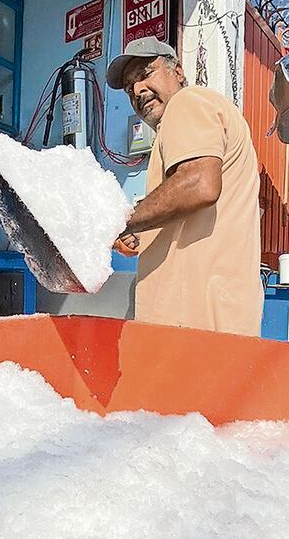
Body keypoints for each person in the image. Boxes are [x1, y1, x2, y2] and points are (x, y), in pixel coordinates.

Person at [106, 38, 262, 337]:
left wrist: (118, 221)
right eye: (129, 89)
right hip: (213, 320)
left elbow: (199, 184)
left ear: (178, 71)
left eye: (144, 74)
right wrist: (142, 231)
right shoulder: (194, 118)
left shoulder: (187, 103)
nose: (137, 90)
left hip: (191, 322)